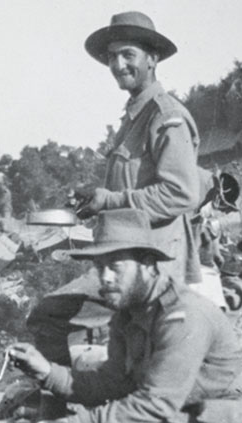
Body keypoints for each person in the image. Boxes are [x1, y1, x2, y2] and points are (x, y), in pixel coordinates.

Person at [26, 11, 212, 365]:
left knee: (49, 317)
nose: (118, 64)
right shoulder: (134, 118)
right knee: (120, 356)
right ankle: (70, 406)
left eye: (129, 55)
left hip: (153, 266)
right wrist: (96, 200)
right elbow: (133, 187)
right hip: (124, 259)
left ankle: (59, 409)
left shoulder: (165, 115)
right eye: (112, 56)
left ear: (152, 59)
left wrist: (110, 200)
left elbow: (181, 192)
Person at [9, 209, 242, 423]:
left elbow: (155, 404)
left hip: (226, 405)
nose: (105, 277)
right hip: (177, 403)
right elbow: (111, 384)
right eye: (99, 267)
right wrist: (46, 372)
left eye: (115, 266)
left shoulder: (184, 315)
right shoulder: (127, 314)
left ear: (147, 264)